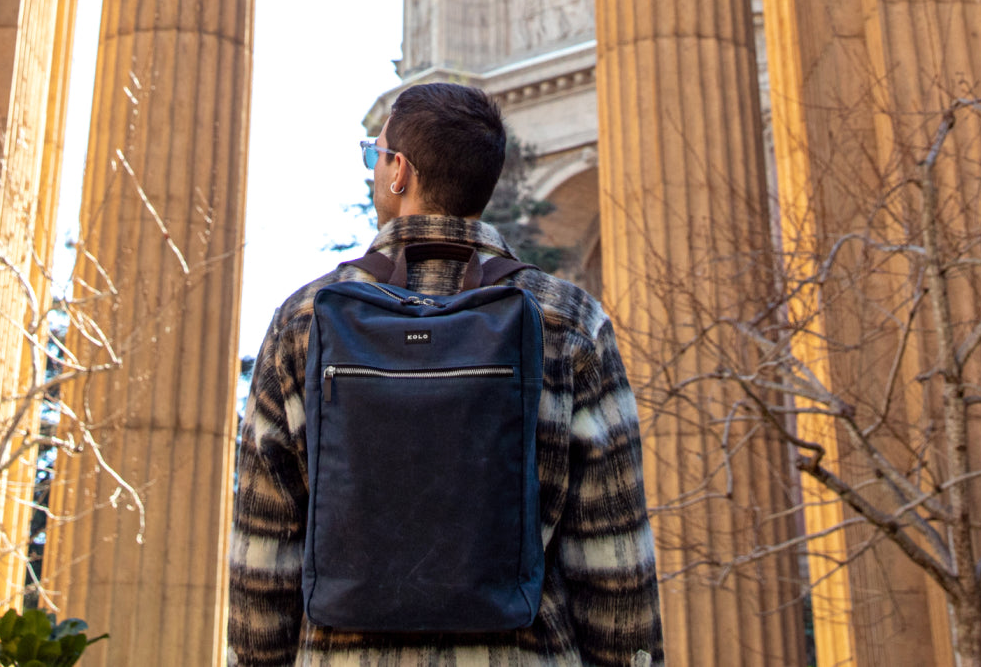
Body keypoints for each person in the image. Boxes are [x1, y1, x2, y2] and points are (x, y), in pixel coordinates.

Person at [228, 82, 663, 666]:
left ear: (398, 172)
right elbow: (614, 560)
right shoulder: (568, 321)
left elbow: (264, 557)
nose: (374, 168)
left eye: (373, 154)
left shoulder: (304, 321)